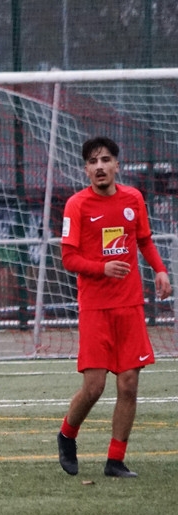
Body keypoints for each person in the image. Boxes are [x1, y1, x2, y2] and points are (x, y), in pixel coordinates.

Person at [57, 136, 172, 478]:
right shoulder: (76, 205)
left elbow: (144, 240)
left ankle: (115, 460)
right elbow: (68, 259)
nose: (100, 166)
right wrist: (101, 268)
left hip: (130, 305)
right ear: (86, 170)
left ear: (117, 165)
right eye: (93, 162)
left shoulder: (133, 199)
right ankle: (67, 435)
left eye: (106, 160)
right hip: (95, 308)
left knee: (129, 385)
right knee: (94, 387)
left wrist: (160, 270)